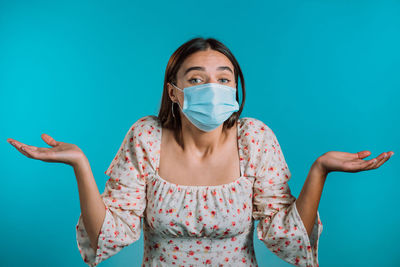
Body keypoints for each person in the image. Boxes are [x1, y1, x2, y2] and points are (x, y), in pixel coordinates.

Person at [7, 37, 394, 267]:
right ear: (175, 92)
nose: (212, 88)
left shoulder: (254, 139)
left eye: (224, 79)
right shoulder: (146, 136)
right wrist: (80, 165)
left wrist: (319, 171)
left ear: (236, 90)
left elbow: (288, 239)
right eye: (196, 79)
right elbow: (108, 236)